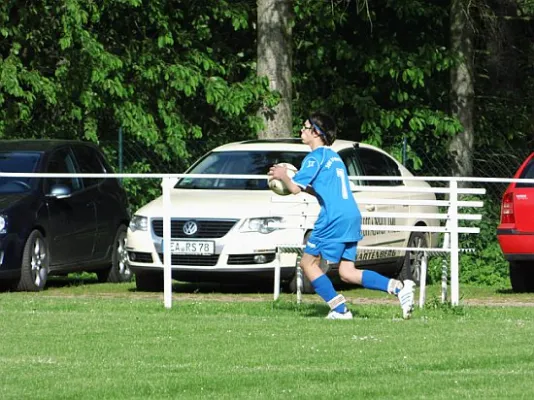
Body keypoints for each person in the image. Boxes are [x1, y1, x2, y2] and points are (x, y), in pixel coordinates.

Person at [268, 111, 415, 320]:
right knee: (347, 272)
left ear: (316, 132)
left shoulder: (314, 157)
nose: (301, 130)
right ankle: (398, 288)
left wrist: (283, 175)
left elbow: (294, 189)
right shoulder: (334, 157)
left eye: (305, 126)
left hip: (333, 217)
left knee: (307, 264)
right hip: (351, 215)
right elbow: (322, 189)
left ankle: (339, 309)